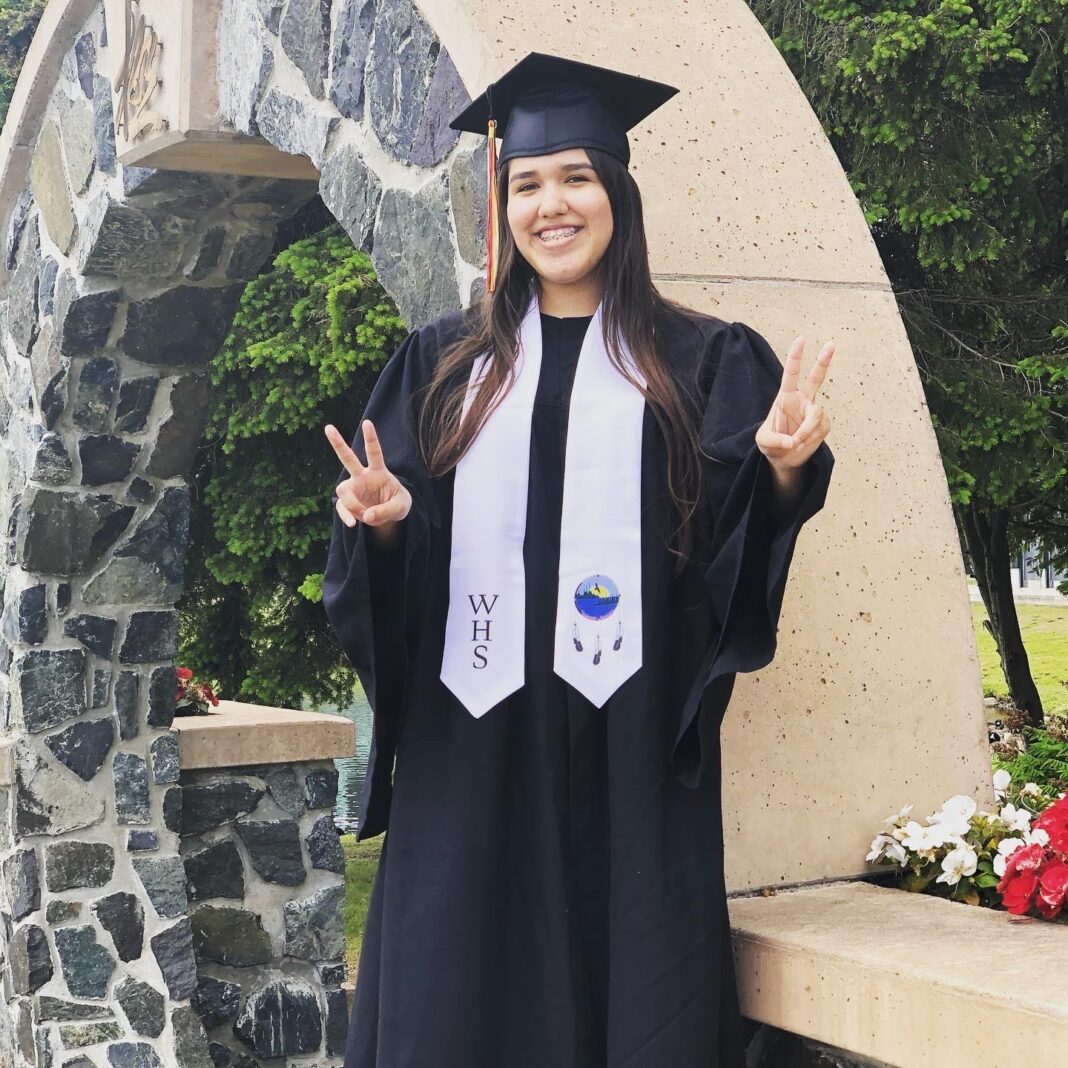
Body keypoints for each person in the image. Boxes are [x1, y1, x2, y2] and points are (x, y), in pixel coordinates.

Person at [323, 51, 835, 1068]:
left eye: (577, 178)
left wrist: (777, 473)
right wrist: (382, 527)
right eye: (527, 183)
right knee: (455, 998)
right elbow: (403, 583)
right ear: (503, 203)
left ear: (617, 194)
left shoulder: (702, 361)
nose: (551, 205)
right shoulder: (442, 366)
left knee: (633, 989)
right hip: (474, 745)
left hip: (630, 746)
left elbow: (731, 558)